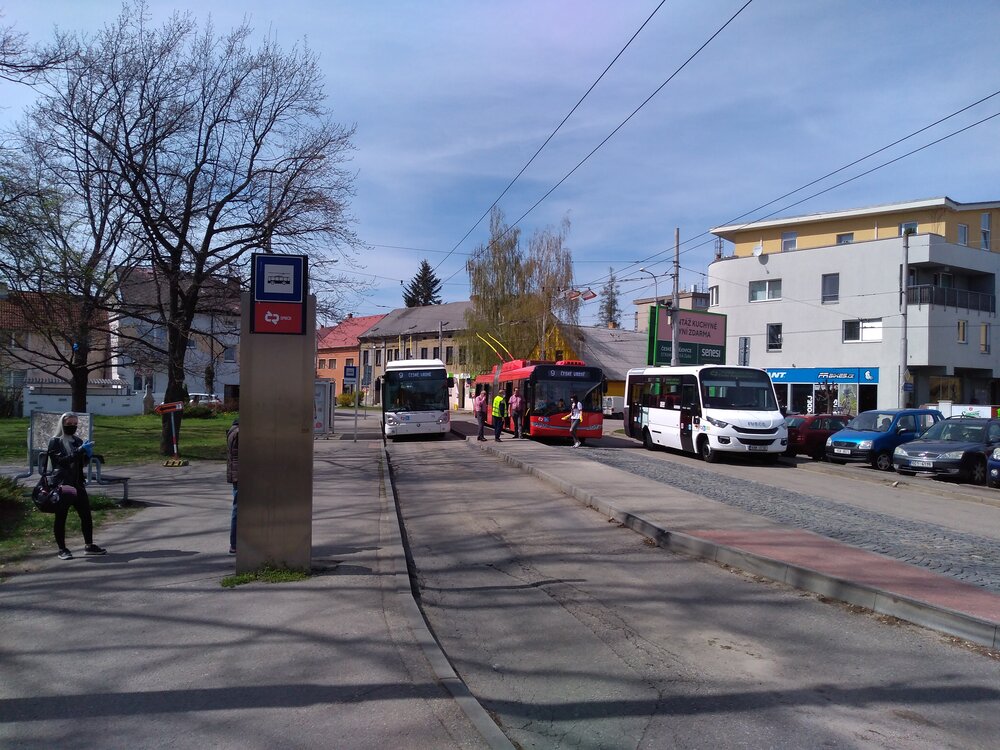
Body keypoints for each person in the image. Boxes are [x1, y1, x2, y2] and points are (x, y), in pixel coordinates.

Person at [46, 412, 106, 560]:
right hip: (62, 484)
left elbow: (81, 463)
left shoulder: (77, 440)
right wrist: (79, 451)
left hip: (77, 483)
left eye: (75, 424)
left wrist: (87, 455)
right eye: (69, 424)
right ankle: (62, 548)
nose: (72, 426)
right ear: (62, 424)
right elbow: (62, 461)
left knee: (86, 515)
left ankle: (89, 545)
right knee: (61, 516)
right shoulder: (55, 442)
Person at [226, 418, 239, 554]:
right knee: (238, 509)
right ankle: (234, 543)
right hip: (240, 474)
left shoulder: (232, 431)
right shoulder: (239, 433)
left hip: (235, 474)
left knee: (237, 508)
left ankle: (235, 543)